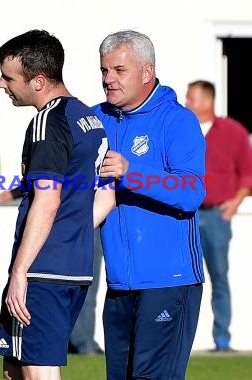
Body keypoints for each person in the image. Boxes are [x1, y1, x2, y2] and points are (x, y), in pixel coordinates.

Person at [0, 30, 113, 380]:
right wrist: (68, 235)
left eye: (8, 77)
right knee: (14, 369)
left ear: (39, 80)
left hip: (41, 271)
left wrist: (20, 271)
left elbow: (47, 200)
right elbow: (106, 196)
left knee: (37, 372)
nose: (2, 84)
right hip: (72, 269)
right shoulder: (90, 120)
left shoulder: (47, 122)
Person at [94, 30, 206, 380]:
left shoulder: (178, 120)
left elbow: (191, 191)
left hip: (169, 281)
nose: (108, 79)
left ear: (146, 72)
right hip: (120, 283)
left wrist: (131, 171)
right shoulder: (97, 118)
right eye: (104, 70)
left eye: (119, 70)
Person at [185, 80, 252, 352]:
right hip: (185, 215)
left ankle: (222, 339)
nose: (187, 103)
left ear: (207, 101)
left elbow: (251, 171)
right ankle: (180, 339)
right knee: (181, 278)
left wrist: (236, 201)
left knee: (219, 277)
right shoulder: (181, 130)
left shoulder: (232, 131)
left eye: (191, 98)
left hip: (216, 216)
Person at [0, 189, 104, 356]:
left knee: (79, 288)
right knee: (75, 287)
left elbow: (53, 173)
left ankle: (81, 342)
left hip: (71, 220)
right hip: (75, 220)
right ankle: (76, 342)